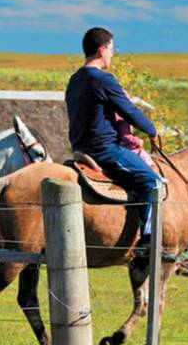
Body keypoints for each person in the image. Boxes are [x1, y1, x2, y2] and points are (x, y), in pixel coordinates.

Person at [65, 27, 172, 262]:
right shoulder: (102, 79)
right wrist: (152, 130)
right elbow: (130, 111)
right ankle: (148, 242)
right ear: (102, 50)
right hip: (105, 150)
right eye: (112, 50)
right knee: (153, 182)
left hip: (80, 150)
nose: (113, 55)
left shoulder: (74, 80)